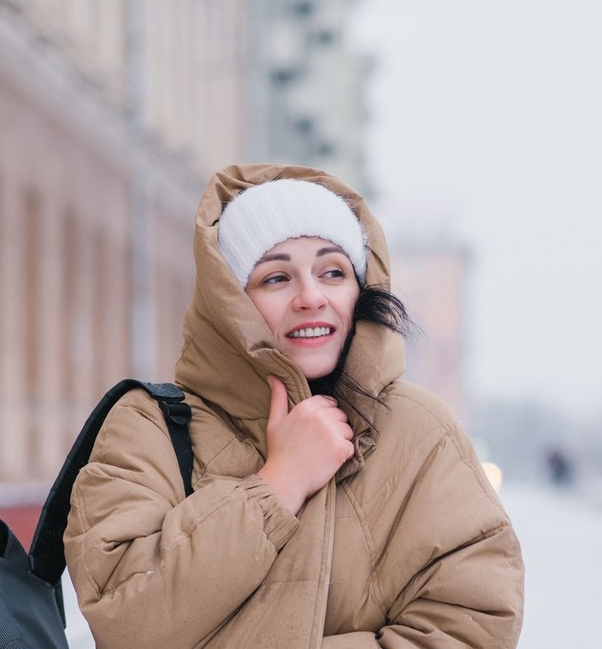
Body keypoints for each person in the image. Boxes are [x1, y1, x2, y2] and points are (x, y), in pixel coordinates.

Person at [64, 164, 525, 648]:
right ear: (231, 305)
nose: (311, 297)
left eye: (333, 272)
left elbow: (471, 625)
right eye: (277, 277)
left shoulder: (420, 432)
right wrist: (275, 486)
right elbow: (127, 621)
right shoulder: (148, 428)